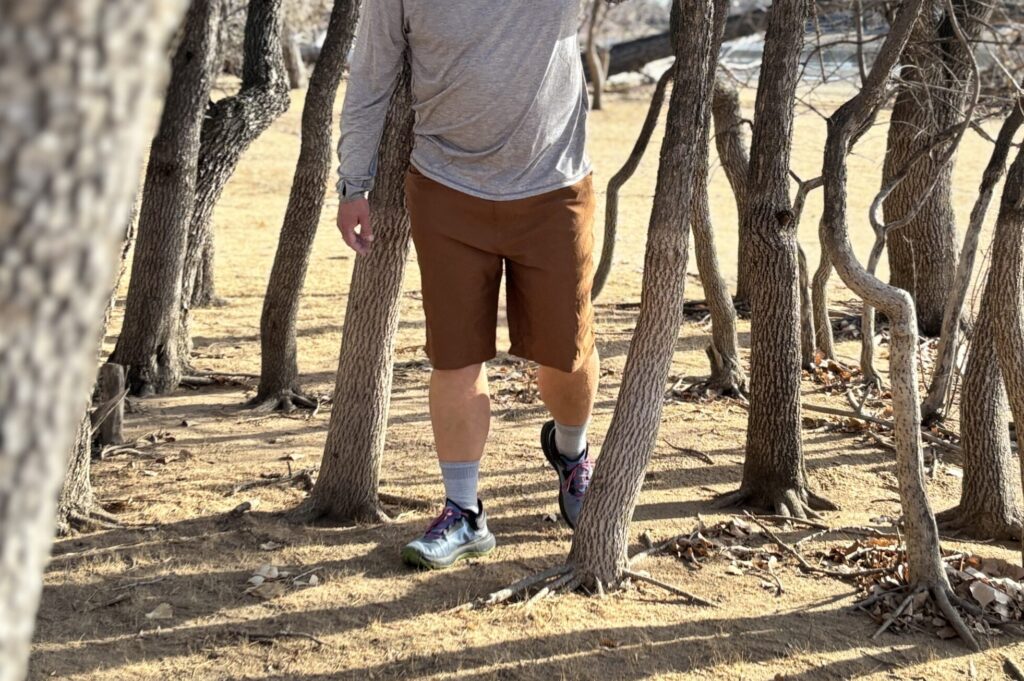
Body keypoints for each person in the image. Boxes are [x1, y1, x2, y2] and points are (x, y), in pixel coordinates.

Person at [336, 0, 602, 570]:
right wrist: (353, 184)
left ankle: (572, 454)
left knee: (566, 352)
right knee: (455, 357)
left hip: (553, 188)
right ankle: (464, 513)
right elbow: (371, 80)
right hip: (447, 189)